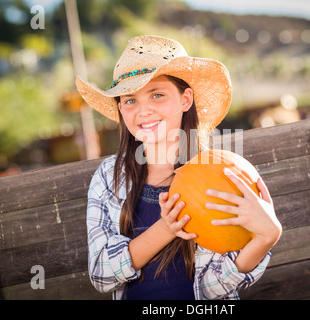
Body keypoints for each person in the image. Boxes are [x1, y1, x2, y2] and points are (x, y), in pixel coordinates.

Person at [76, 35, 282, 300]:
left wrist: (266, 237)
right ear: (120, 109)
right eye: (130, 100)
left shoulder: (221, 173)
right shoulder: (109, 177)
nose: (143, 110)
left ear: (186, 100)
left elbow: (214, 289)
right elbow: (100, 275)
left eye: (157, 94)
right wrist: (166, 228)